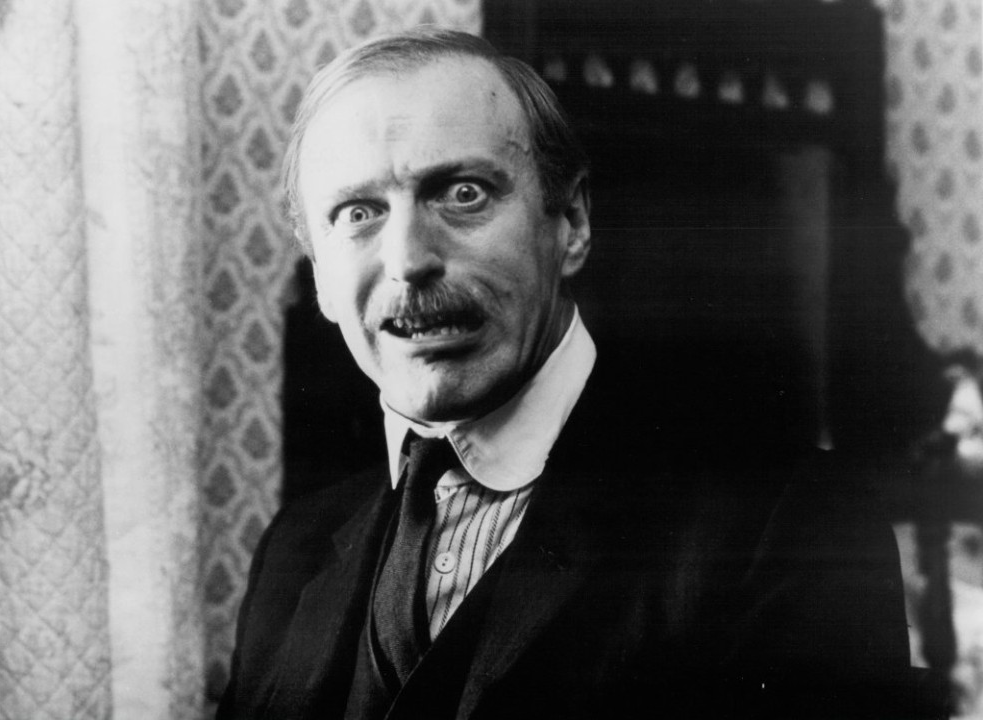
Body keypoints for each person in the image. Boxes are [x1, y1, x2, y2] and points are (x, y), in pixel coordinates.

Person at [217, 28, 928, 719]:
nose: (408, 260)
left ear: (573, 223)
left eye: (463, 194)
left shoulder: (789, 528)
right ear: (321, 277)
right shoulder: (294, 551)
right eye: (358, 212)